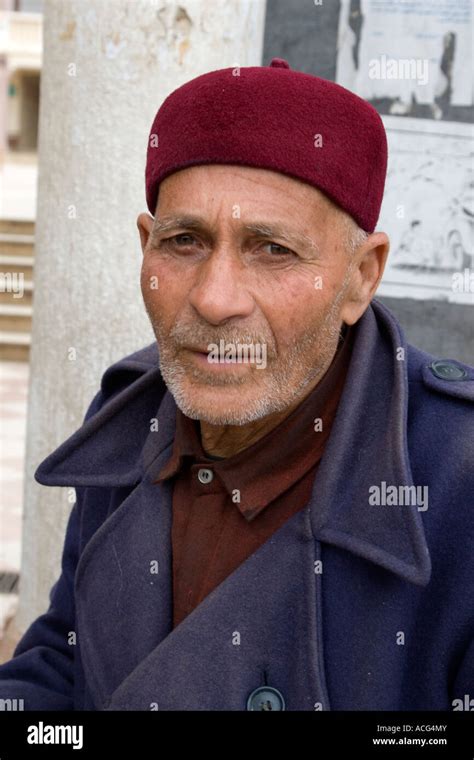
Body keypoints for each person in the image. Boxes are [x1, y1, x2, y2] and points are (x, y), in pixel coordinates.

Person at [0, 58, 472, 712]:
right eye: (184, 241)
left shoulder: (456, 475)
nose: (215, 299)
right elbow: (69, 655)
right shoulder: (130, 412)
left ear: (362, 276)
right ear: (146, 247)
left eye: (272, 249)